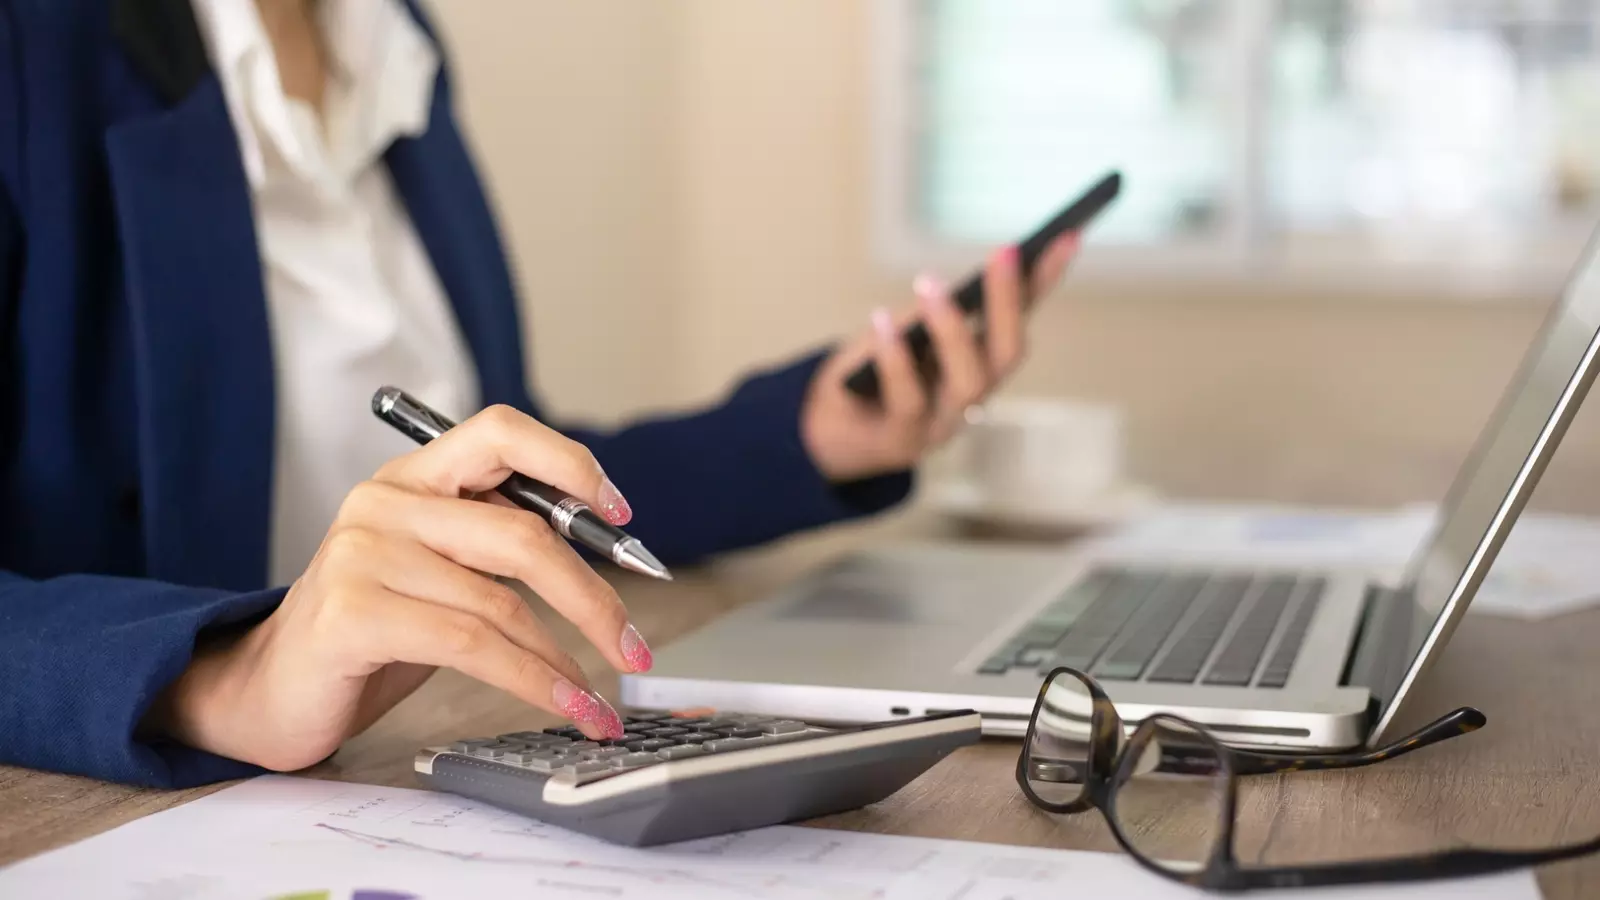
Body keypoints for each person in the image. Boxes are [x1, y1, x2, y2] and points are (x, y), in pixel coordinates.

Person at [0, 0, 1079, 789]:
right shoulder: (32, 50)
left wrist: (813, 436)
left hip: (420, 757)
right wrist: (221, 676)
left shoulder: (396, 47)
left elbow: (509, 483)